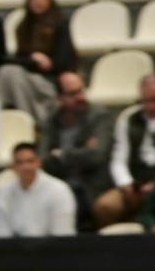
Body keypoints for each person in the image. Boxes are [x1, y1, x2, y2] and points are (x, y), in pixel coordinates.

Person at [95, 73, 155, 227]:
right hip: (136, 185)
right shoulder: (129, 119)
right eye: (146, 101)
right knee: (105, 206)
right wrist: (127, 185)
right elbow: (119, 158)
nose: (151, 106)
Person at [0, 0, 76, 120]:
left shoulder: (61, 25)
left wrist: (44, 62)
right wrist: (33, 58)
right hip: (25, 78)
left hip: (49, 82)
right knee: (6, 72)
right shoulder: (23, 26)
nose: (38, 0)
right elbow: (20, 58)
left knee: (12, 73)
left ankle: (26, 120)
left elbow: (63, 63)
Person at [39, 70, 114, 222]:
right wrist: (82, 153)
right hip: (59, 189)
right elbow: (43, 160)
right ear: (60, 97)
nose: (81, 97)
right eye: (73, 94)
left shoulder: (99, 117)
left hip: (89, 189)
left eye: (82, 90)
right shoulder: (51, 121)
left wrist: (62, 155)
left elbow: (96, 156)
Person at [0, 142, 77, 238]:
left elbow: (63, 235)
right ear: (13, 167)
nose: (25, 167)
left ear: (39, 162)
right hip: (17, 250)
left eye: (30, 161)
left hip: (52, 249)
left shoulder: (59, 190)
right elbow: (2, 236)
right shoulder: (4, 195)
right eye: (19, 162)